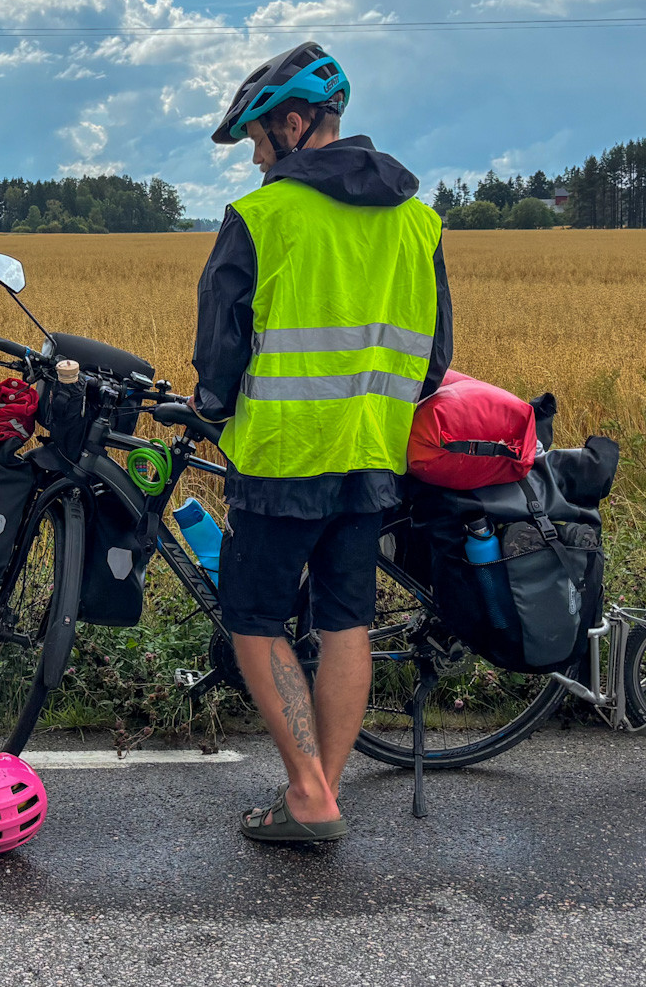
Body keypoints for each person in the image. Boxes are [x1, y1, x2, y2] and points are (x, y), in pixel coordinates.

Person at [192, 41, 452, 843]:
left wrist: (207, 404)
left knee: (256, 619)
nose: (258, 162)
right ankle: (318, 792)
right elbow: (434, 358)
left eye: (261, 143)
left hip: (284, 455)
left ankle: (308, 792)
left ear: (298, 124)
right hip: (373, 456)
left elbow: (221, 352)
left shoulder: (264, 219)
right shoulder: (417, 221)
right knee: (345, 622)